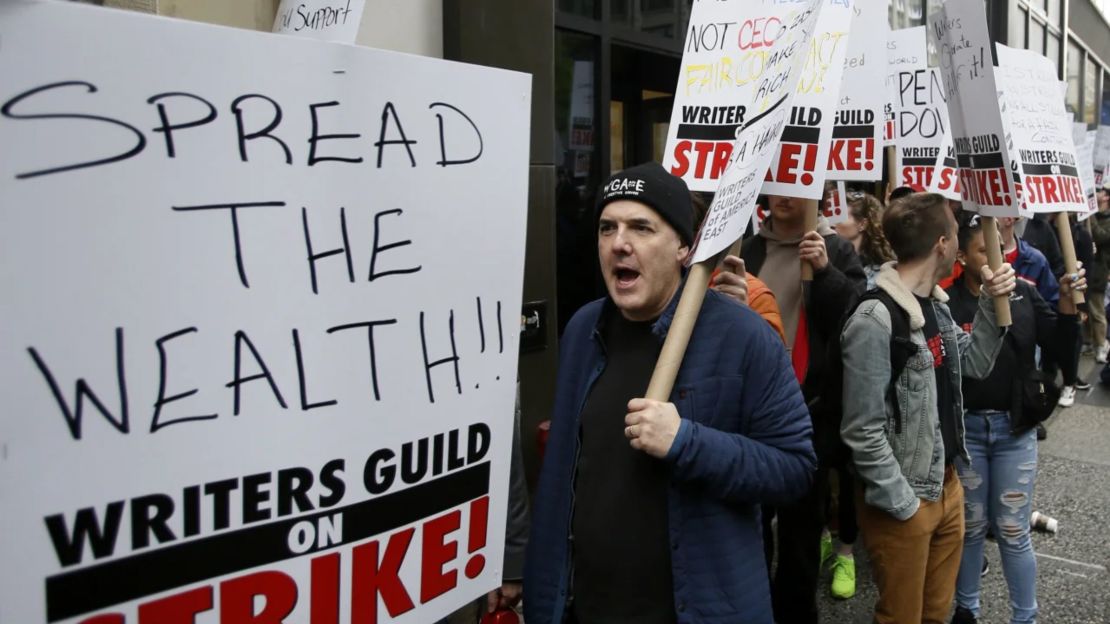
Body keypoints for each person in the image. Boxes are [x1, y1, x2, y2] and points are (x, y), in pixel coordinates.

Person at [523, 162, 816, 624]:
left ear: (684, 247)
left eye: (641, 227)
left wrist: (686, 442)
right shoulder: (583, 329)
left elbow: (794, 469)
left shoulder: (743, 338)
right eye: (607, 227)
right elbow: (563, 472)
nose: (619, 242)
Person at [840, 193, 1016, 624]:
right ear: (942, 244)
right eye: (956, 234)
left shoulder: (935, 304)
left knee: (937, 614)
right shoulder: (874, 319)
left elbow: (972, 362)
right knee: (902, 617)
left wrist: (993, 302)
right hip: (906, 501)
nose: (959, 243)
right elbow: (862, 430)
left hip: (947, 486)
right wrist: (904, 503)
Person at [945, 212, 1084, 624]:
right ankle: (966, 609)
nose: (993, 258)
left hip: (1014, 431)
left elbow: (1059, 346)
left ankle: (1026, 617)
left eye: (997, 249)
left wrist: (1065, 307)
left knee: (1012, 531)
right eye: (981, 251)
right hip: (966, 431)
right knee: (969, 530)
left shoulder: (1024, 293)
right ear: (964, 257)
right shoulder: (945, 300)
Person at [741, 192, 866, 621]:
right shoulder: (750, 247)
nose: (780, 196)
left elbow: (855, 319)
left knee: (800, 535)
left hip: (807, 411)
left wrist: (827, 272)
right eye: (775, 184)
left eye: (793, 186)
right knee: (751, 525)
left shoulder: (835, 248)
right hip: (752, 409)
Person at [835, 190, 896, 289]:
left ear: (862, 224)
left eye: (840, 216)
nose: (832, 223)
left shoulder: (881, 273)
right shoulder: (828, 259)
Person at [1088, 183, 1110, 364]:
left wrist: (1090, 217)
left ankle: (1101, 344)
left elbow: (1100, 236)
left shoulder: (1103, 220)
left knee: (1097, 310)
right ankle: (1090, 342)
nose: (1097, 194)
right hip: (1089, 269)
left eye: (1101, 192)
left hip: (1100, 271)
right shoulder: (1093, 216)